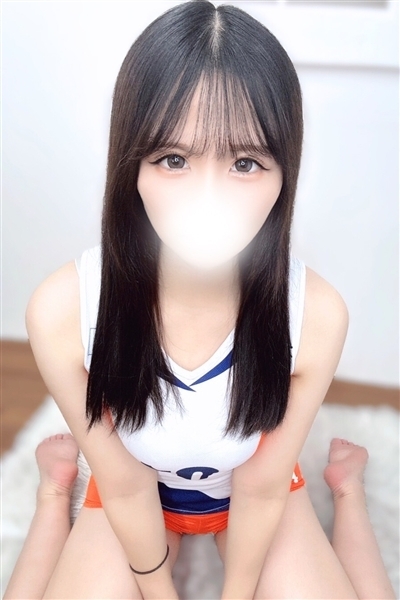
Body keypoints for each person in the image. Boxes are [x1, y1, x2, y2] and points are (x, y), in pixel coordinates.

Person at [4, 1, 396, 598]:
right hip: (131, 492)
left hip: (252, 491)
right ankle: (54, 491)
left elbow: (261, 486)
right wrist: (159, 591)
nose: (207, 199)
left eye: (245, 162)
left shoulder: (316, 314)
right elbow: (127, 486)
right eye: (173, 159)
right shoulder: (63, 310)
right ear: (132, 169)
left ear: (283, 175)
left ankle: (349, 490)